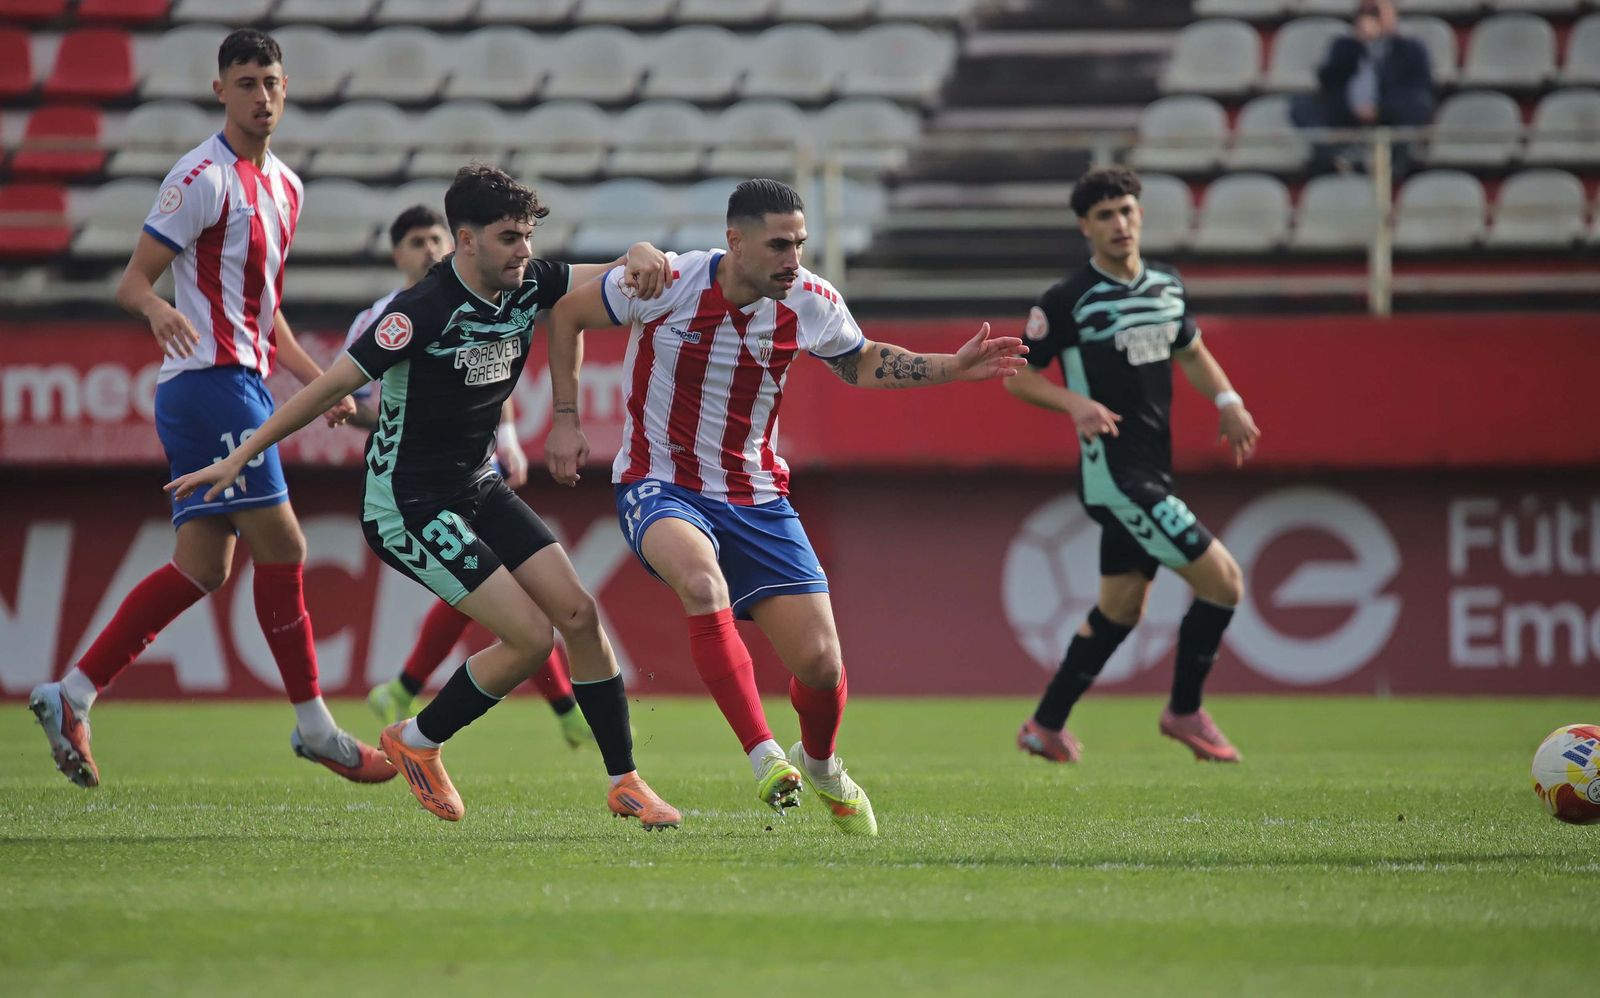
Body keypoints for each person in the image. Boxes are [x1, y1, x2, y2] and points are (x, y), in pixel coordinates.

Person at [169, 164, 682, 828]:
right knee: (530, 637)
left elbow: (608, 276)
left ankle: (626, 783)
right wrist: (242, 453)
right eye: (508, 238)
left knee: (579, 618)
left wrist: (642, 254)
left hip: (477, 483)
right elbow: (330, 389)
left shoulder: (528, 282)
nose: (524, 251)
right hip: (407, 504)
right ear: (464, 240)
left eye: (528, 236)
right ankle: (419, 741)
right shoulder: (419, 311)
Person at [544, 178, 1028, 836]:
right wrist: (566, 419)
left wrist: (947, 367)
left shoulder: (810, 300)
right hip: (660, 482)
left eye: (799, 243)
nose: (792, 258)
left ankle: (822, 764)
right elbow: (569, 313)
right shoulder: (671, 282)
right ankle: (764, 756)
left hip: (759, 496)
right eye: (778, 244)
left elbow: (857, 362)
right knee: (701, 580)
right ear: (734, 241)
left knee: (823, 666)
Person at [28, 28, 393, 788]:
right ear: (219, 90)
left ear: (286, 90)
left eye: (272, 82)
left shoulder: (287, 187)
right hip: (205, 383)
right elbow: (132, 283)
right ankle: (314, 725)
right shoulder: (200, 177)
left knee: (201, 569)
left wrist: (318, 381)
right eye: (247, 82)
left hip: (244, 380)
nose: (262, 96)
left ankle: (73, 693)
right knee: (286, 547)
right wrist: (156, 312)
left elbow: (267, 314)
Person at [1006, 166, 1261, 766]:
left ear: (1140, 214)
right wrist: (1076, 404)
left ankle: (1044, 726)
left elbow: (1192, 352)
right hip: (1116, 478)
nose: (1119, 223)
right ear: (1084, 228)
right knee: (1223, 582)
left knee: (1121, 608)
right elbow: (1017, 375)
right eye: (1104, 216)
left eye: (1126, 210)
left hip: (1153, 470)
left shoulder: (1167, 286)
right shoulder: (1066, 301)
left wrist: (1228, 402)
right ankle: (1185, 709)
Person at [352, 205, 593, 750]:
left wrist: (505, 441)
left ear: (456, 242)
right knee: (512, 610)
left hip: (477, 475)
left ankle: (406, 693)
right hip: (411, 487)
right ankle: (553, 708)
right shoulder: (387, 316)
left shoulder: (490, 297)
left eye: (434, 237)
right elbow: (355, 395)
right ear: (397, 254)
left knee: (516, 601)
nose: (429, 249)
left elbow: (484, 383)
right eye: (416, 241)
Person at [1290, 0, 1434, 176]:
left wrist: (1379, 110)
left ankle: (1390, 161)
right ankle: (1339, 157)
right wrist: (1358, 45)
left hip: (1389, 117)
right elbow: (1327, 81)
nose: (1370, 18)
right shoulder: (1344, 46)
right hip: (1346, 115)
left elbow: (1419, 88)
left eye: (1376, 12)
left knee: (1419, 104)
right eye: (1365, 12)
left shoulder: (1409, 49)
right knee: (1302, 104)